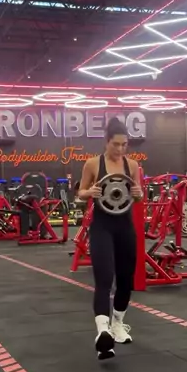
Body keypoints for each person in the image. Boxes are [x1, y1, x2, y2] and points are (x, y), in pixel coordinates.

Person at [78, 118, 143, 359]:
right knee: (104, 278)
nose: (120, 149)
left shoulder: (132, 165)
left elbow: (137, 196)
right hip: (102, 226)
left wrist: (139, 192)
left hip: (124, 226)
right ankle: (102, 333)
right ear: (106, 142)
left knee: (126, 279)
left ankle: (117, 323)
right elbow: (80, 194)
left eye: (124, 144)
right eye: (116, 144)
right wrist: (89, 192)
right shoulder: (93, 164)